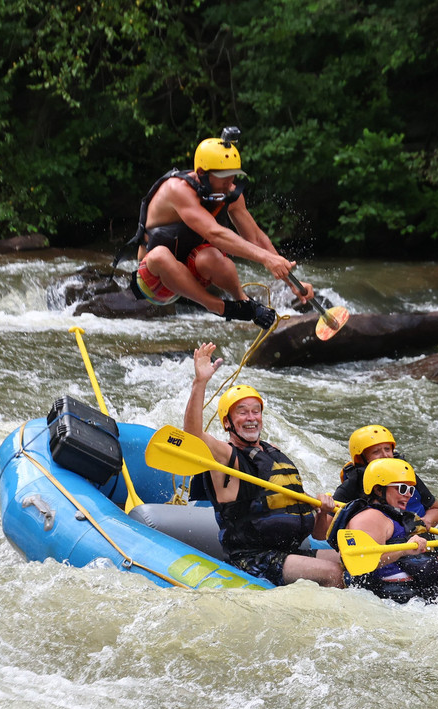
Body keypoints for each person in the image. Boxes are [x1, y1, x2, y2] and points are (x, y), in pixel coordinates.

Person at [116, 127, 313, 328]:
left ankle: (244, 302)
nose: (230, 183)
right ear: (202, 173)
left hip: (193, 274)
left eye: (234, 175)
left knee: (212, 256)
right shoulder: (178, 190)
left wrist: (293, 284)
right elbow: (214, 233)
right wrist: (265, 258)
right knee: (160, 255)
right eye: (224, 176)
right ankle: (218, 306)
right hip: (156, 280)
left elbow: (255, 237)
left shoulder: (229, 193)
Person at [185, 342, 345, 588]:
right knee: (333, 572)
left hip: (288, 552)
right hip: (252, 559)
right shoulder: (226, 457)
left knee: (350, 563)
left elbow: (318, 534)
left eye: (256, 411)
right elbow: (193, 436)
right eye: (242, 412)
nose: (251, 418)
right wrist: (200, 382)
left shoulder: (273, 453)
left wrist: (323, 511)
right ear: (227, 422)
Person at [328, 457, 438, 603]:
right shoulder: (370, 518)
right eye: (402, 488)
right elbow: (362, 565)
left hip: (415, 595)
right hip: (391, 600)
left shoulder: (395, 518)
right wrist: (403, 550)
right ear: (378, 489)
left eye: (410, 490)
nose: (408, 494)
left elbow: (421, 569)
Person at [331, 425, 438, 527]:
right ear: (362, 459)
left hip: (415, 535)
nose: (385, 455)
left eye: (387, 449)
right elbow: (330, 521)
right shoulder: (353, 483)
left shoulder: (405, 473)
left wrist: (426, 521)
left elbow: (436, 509)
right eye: (376, 452)